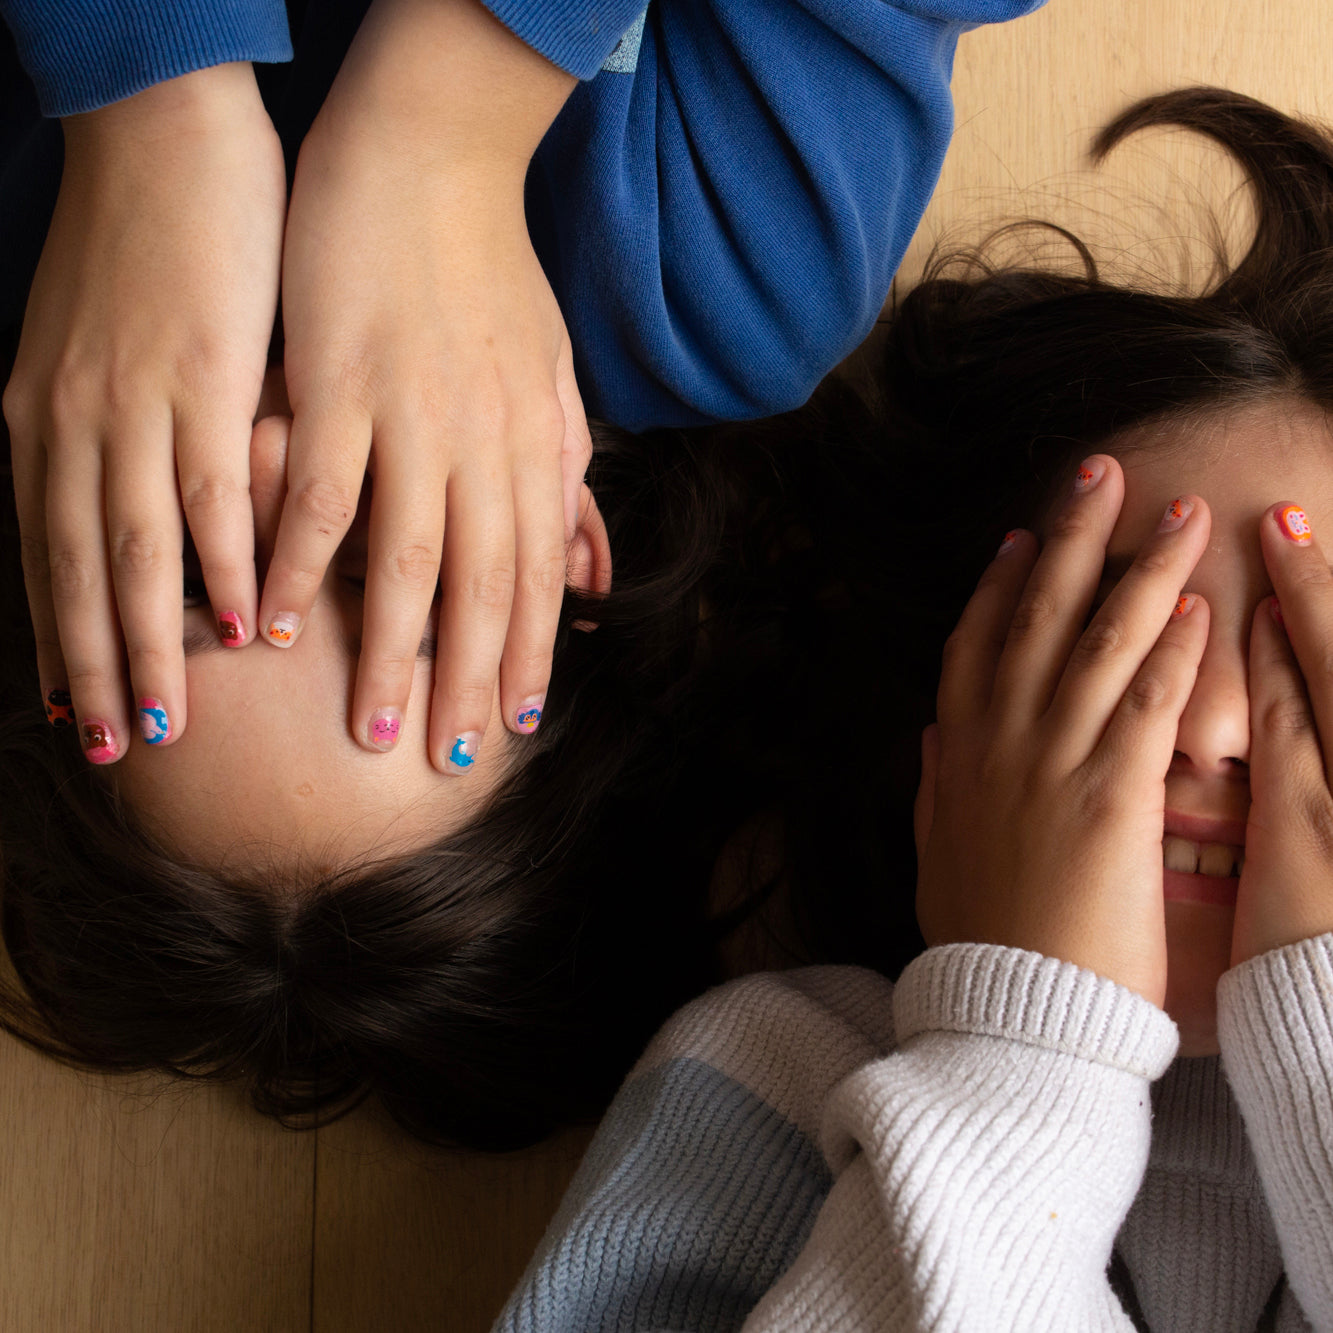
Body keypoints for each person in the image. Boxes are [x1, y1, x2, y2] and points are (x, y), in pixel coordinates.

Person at [492, 88, 1333, 1329]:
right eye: (1115, 633)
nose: (1211, 728)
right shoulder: (765, 1080)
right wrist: (1022, 1058)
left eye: (1307, 661)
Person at [0, 0, 1042, 775]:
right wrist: (446, 120)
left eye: (194, 575)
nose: (285, 473)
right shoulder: (726, 281)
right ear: (567, 566)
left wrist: (147, 104)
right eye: (373, 571)